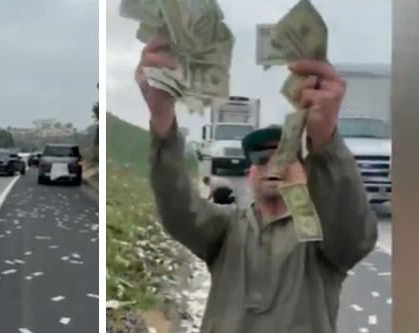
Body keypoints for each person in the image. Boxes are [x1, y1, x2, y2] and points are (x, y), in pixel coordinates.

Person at [137, 39, 377, 332]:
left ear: (306, 171)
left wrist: (325, 140)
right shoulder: (227, 229)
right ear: (249, 173)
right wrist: (162, 117)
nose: (273, 165)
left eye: (285, 157)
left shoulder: (320, 235)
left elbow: (354, 236)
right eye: (262, 159)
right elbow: (178, 209)